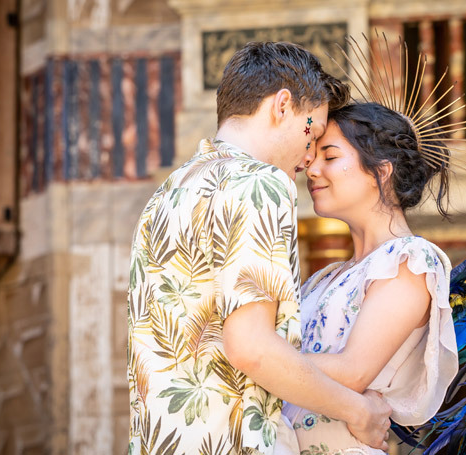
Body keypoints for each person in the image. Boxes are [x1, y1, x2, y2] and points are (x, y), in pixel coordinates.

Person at [126, 42, 392, 455]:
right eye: (313, 132)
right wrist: (358, 411)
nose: (309, 157)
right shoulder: (260, 184)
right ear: (282, 106)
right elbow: (252, 349)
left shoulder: (166, 195)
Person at [284, 102, 460, 455]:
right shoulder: (325, 277)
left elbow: (353, 372)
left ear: (382, 171)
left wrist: (252, 357)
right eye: (313, 158)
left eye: (329, 157)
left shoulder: (410, 260)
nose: (311, 169)